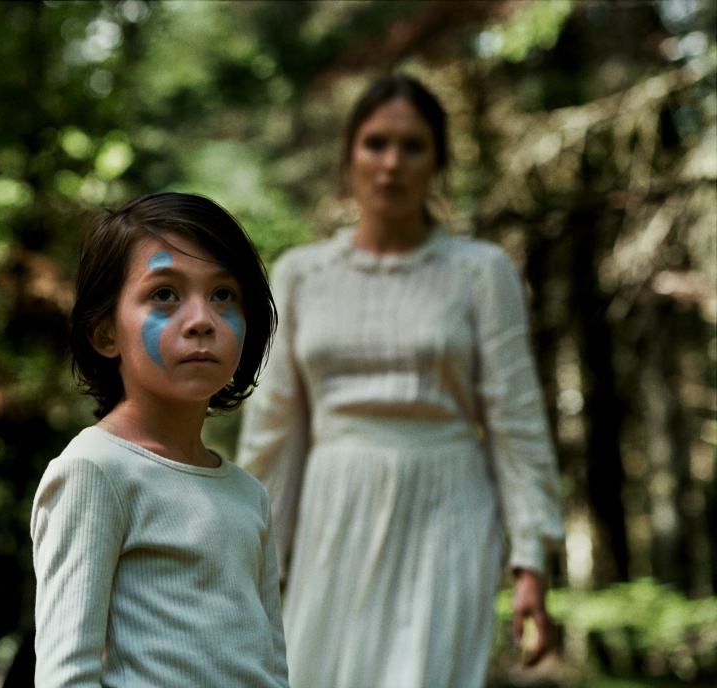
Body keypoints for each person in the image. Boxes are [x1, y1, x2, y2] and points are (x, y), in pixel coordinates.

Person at [235, 75, 565, 687]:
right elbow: (274, 428)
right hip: (333, 509)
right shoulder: (302, 274)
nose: (391, 163)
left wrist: (531, 561)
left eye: (412, 146)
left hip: (448, 507)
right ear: (349, 156)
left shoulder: (481, 272)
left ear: (438, 162)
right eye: (375, 143)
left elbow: (516, 419)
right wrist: (253, 557)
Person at [31, 192, 289, 687]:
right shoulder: (95, 470)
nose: (201, 320)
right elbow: (67, 674)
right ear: (105, 333)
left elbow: (274, 668)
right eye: (165, 294)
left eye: (223, 294)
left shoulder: (248, 494)